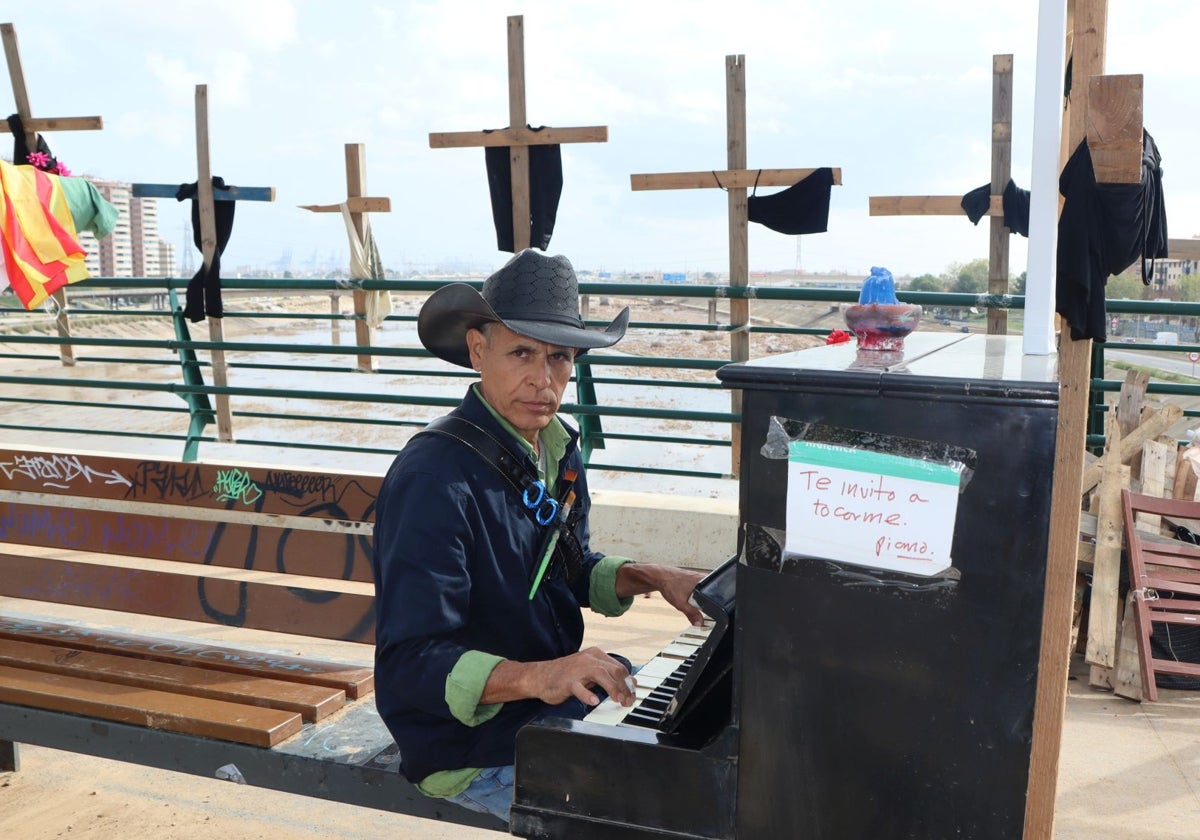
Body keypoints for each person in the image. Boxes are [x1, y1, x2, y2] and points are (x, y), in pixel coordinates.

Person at [372, 249, 706, 825]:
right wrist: (539, 675)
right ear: (478, 350)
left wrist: (651, 576)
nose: (542, 380)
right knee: (651, 818)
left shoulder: (557, 449)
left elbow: (564, 567)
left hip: (540, 705)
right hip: (468, 743)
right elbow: (409, 665)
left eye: (559, 357)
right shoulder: (434, 478)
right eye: (521, 352)